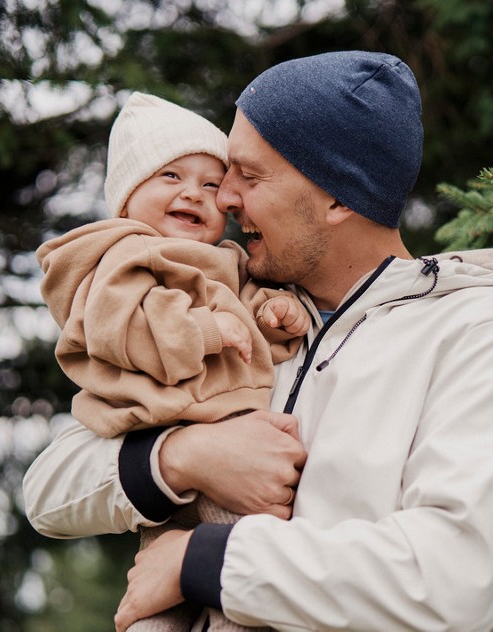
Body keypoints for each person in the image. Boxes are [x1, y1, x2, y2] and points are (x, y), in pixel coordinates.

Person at [22, 51, 493, 631]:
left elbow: (455, 579)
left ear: (338, 197)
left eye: (248, 176)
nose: (223, 198)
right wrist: (185, 457)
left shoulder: (487, 338)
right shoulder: (242, 310)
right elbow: (49, 488)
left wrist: (204, 561)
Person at [34, 91, 309, 632]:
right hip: (172, 457)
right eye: (171, 177)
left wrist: (277, 313)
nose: (195, 194)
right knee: (162, 609)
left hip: (231, 468)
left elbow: (251, 334)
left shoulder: (226, 263)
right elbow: (126, 330)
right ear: (128, 195)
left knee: (231, 595)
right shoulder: (120, 258)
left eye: (212, 184)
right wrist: (207, 328)